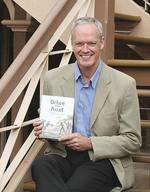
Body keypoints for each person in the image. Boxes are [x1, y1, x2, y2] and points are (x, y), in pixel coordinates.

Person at [32, 16, 141, 192]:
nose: (85, 50)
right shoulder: (53, 78)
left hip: (102, 159)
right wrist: (44, 130)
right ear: (72, 44)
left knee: (76, 186)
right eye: (79, 44)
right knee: (41, 165)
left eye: (91, 43)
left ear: (101, 43)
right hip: (63, 154)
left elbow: (133, 140)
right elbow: (51, 129)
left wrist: (90, 143)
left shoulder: (124, 84)